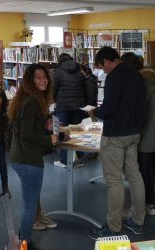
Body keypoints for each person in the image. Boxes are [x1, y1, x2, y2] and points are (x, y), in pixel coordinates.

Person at [88, 47, 146, 239]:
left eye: (101, 66)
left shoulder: (114, 77)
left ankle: (113, 226)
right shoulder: (136, 75)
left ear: (106, 61)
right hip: (134, 133)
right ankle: (138, 220)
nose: (103, 70)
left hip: (115, 134)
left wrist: (95, 113)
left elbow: (110, 107)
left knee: (114, 181)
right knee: (134, 176)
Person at [8, 63, 59, 249]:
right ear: (30, 80)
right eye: (38, 77)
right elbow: (26, 134)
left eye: (44, 76)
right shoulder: (32, 102)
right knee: (30, 205)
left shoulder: (28, 99)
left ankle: (24, 237)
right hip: (28, 159)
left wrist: (43, 126)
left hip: (22, 157)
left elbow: (26, 128)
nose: (43, 80)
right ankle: (25, 243)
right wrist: (50, 140)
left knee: (30, 202)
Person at [121, 52, 155, 216]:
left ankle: (146, 205)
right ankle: (150, 202)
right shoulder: (150, 82)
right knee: (150, 172)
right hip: (151, 137)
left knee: (142, 173)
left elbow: (139, 112)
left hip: (145, 137)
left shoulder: (144, 85)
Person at [52, 53, 86, 168]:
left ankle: (64, 160)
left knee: (63, 132)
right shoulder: (80, 72)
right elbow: (84, 88)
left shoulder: (58, 72)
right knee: (76, 132)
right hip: (79, 106)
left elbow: (54, 88)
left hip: (63, 106)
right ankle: (79, 159)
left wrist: (55, 100)